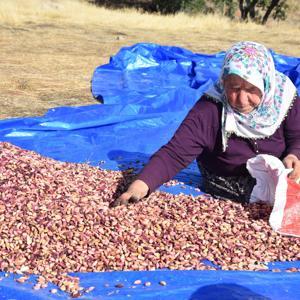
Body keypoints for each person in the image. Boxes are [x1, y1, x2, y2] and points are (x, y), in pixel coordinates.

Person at [111, 41, 300, 207]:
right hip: (229, 178)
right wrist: (140, 186)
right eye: (234, 88)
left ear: (266, 84)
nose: (241, 99)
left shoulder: (282, 98)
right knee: (274, 196)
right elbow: (175, 153)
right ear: (223, 82)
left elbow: (297, 135)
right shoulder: (210, 110)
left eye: (251, 89)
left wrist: (294, 154)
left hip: (280, 170)